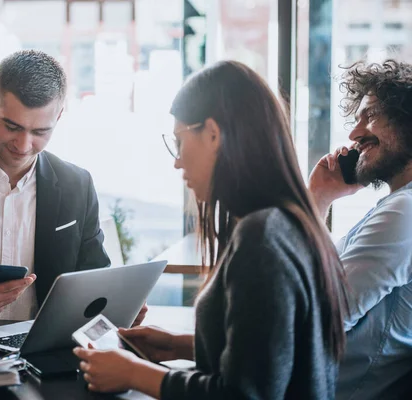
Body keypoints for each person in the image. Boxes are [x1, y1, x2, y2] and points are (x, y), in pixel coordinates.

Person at [73, 61, 347, 399]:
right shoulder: (287, 223)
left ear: (213, 134)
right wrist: (180, 345)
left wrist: (134, 373)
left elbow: (243, 394)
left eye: (179, 141)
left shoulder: (261, 237)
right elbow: (268, 353)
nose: (176, 161)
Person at [0, 50, 149, 334]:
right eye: (12, 127)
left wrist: (117, 308)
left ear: (59, 117)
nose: (23, 146)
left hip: (45, 352)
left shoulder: (77, 186)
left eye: (40, 132)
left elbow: (93, 280)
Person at [308, 59, 412, 400]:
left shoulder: (404, 211)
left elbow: (322, 320)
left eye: (370, 115)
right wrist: (320, 198)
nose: (353, 134)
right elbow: (320, 281)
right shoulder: (397, 206)